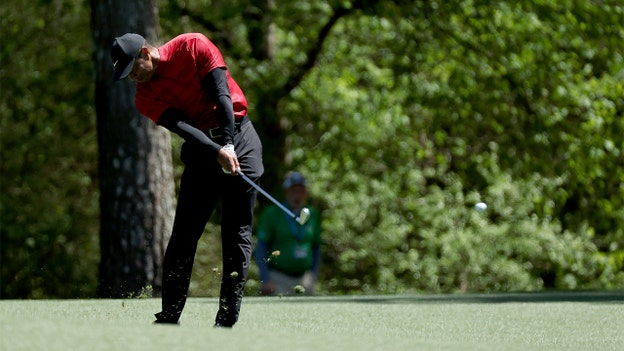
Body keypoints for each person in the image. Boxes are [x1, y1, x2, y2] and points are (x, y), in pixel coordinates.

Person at [111, 33, 264, 327]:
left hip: (241, 138)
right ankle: (169, 316)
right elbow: (182, 126)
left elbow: (222, 95)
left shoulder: (193, 46)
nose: (134, 78)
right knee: (184, 236)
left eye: (134, 69)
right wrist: (217, 151)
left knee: (237, 234)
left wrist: (229, 145)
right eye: (127, 75)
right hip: (201, 150)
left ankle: (226, 319)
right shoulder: (145, 97)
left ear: (146, 52)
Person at [255, 171, 321, 295]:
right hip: (277, 278)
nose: (297, 195)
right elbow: (261, 248)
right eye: (293, 190)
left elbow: (316, 247)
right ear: (286, 192)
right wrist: (265, 278)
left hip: (304, 279)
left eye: (300, 190)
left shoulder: (313, 215)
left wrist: (313, 274)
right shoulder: (272, 213)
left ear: (306, 193)